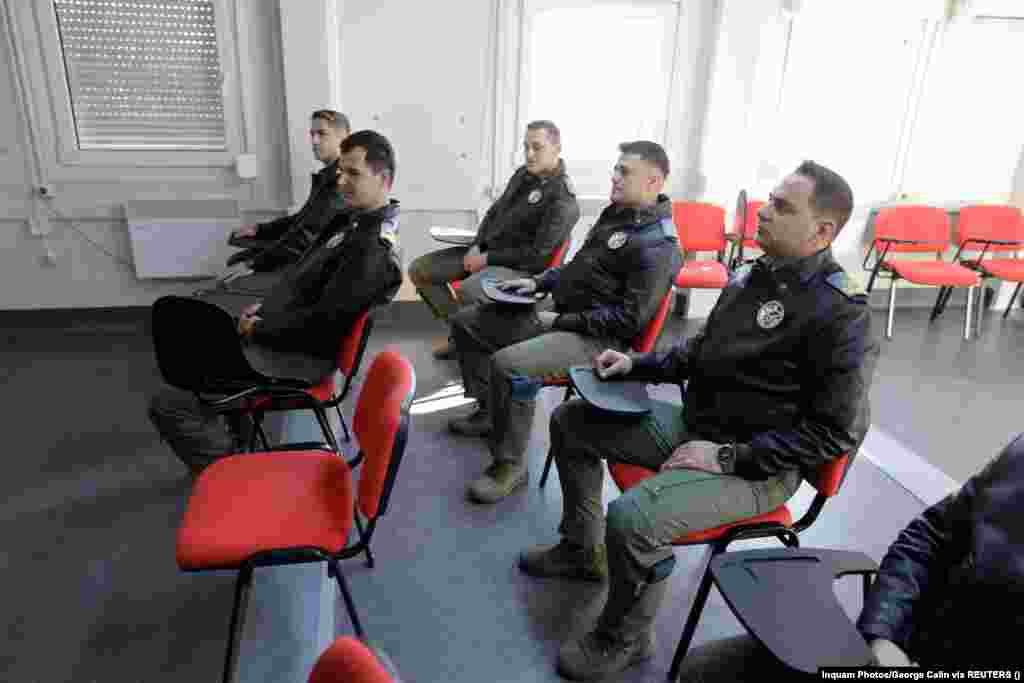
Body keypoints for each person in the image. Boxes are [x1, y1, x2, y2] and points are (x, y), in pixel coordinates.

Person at [518, 160, 880, 681]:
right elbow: (700, 351)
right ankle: (580, 548)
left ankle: (626, 637)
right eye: (769, 200)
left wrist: (731, 456)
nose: (765, 212)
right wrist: (636, 364)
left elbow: (834, 433)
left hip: (758, 467)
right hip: (700, 428)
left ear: (822, 231)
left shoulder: (842, 312)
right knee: (573, 422)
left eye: (782, 207)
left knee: (634, 518)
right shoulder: (754, 273)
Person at [149, 130, 402, 475]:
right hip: (290, 335)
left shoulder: (371, 249)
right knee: (193, 341)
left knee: (170, 403)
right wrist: (265, 311)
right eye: (341, 171)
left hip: (302, 357)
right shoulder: (353, 222)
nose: (341, 181)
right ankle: (238, 437)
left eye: (353, 174)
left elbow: (323, 327)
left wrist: (263, 328)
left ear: (383, 179)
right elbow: (303, 281)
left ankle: (231, 474)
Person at [673, 432, 1024, 679]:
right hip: (905, 645)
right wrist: (883, 633)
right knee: (705, 669)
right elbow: (928, 537)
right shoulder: (1019, 456)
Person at [447, 141, 681, 504]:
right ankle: (489, 411)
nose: (614, 177)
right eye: (616, 169)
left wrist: (561, 319)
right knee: (468, 323)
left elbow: (628, 321)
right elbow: (577, 268)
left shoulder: (659, 245)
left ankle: (510, 464)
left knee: (509, 365)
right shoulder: (615, 214)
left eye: (625, 172)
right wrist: (538, 282)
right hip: (561, 314)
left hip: (599, 341)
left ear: (654, 181)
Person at [407, 120, 579, 359]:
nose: (529, 154)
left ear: (557, 148)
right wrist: (477, 247)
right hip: (486, 253)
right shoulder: (523, 175)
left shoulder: (562, 198)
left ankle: (469, 340)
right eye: (525, 146)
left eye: (537, 147)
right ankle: (462, 335)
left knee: (468, 289)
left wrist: (487, 258)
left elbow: (537, 258)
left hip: (519, 268)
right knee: (420, 270)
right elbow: (493, 213)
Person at [215, 109, 352, 296]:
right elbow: (303, 219)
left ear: (344, 138)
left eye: (322, 134)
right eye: (312, 134)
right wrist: (260, 229)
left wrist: (253, 264)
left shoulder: (340, 181)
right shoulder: (327, 175)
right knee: (239, 258)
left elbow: (305, 235)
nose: (314, 141)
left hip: (316, 266)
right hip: (308, 256)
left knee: (238, 267)